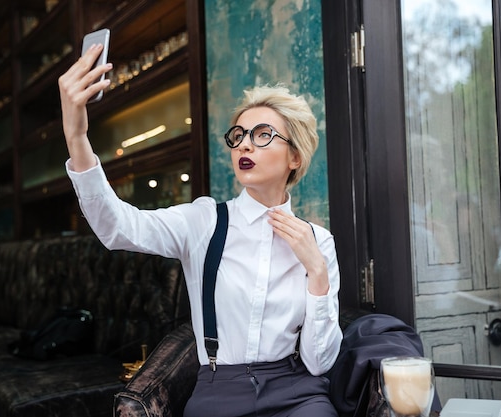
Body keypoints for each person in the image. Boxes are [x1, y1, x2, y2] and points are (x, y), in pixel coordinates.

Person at [59, 43, 343, 417]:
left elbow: (319, 362)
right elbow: (117, 227)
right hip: (219, 388)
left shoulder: (318, 242)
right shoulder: (204, 221)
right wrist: (77, 137)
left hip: (297, 392)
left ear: (295, 157)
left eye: (262, 135)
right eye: (238, 135)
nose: (244, 143)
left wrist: (317, 273)